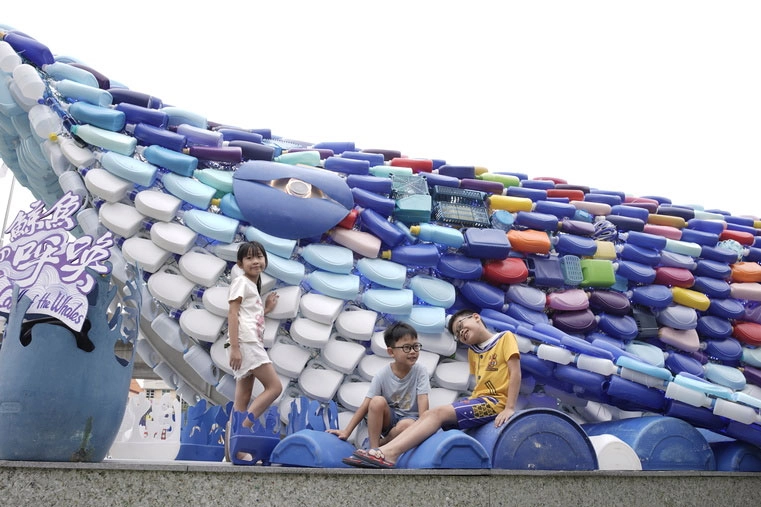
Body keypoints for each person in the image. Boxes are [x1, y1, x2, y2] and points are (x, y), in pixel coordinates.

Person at [344, 308, 521, 469]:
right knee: (430, 414)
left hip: (495, 403)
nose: (461, 332)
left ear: (476, 317)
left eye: (461, 326)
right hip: (480, 401)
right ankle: (380, 450)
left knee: (436, 414)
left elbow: (515, 373)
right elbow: (480, 384)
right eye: (458, 333)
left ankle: (389, 454)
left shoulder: (505, 337)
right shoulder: (473, 352)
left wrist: (509, 407)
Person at [328, 322, 430, 455]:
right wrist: (347, 431)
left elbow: (423, 402)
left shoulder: (420, 371)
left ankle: (384, 443)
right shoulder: (383, 374)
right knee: (376, 401)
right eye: (406, 347)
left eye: (416, 346)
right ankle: (374, 450)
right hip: (390, 420)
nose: (412, 351)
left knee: (404, 426)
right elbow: (366, 404)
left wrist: (424, 428)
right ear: (391, 352)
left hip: (411, 422)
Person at [224, 241, 282, 463]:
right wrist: (235, 348)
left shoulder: (250, 286)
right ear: (240, 264)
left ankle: (234, 450)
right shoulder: (241, 282)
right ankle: (243, 430)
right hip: (246, 342)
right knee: (274, 387)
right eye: (249, 258)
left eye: (259, 256)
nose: (255, 261)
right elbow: (232, 313)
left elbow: (249, 315)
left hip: (247, 341)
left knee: (243, 398)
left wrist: (266, 308)